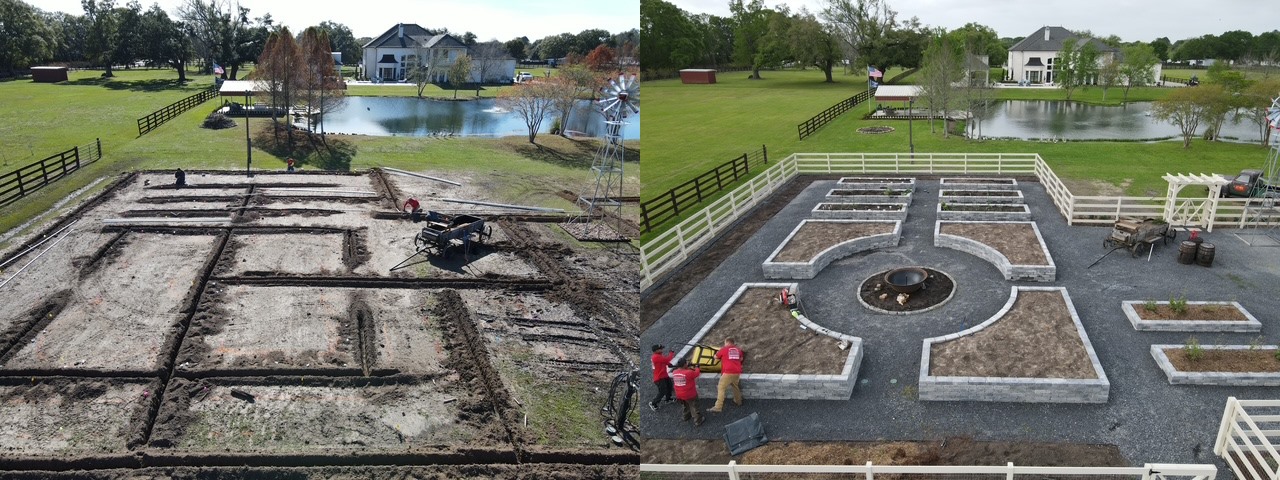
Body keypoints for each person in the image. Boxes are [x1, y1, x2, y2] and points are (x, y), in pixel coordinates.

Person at [709, 337, 744, 412]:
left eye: (725, 343)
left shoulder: (724, 349)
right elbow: (741, 359)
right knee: (735, 386)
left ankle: (718, 407)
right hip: (737, 372)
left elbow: (716, 357)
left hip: (727, 372)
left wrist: (717, 356)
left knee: (721, 388)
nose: (724, 344)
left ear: (727, 342)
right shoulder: (738, 350)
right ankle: (738, 401)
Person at [671, 359, 703, 426]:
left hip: (679, 394)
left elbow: (683, 372)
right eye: (686, 363)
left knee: (685, 405)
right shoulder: (688, 373)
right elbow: (696, 373)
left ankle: (686, 416)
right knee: (694, 406)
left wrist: (688, 368)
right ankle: (698, 420)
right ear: (684, 364)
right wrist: (697, 367)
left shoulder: (674, 372)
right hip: (689, 394)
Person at [648, 344, 675, 411]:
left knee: (669, 386)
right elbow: (667, 359)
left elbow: (663, 362)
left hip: (664, 375)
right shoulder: (656, 357)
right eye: (660, 349)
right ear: (656, 350)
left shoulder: (659, 355)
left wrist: (668, 364)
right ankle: (653, 403)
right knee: (662, 392)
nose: (662, 350)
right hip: (659, 378)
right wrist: (671, 353)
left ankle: (668, 399)